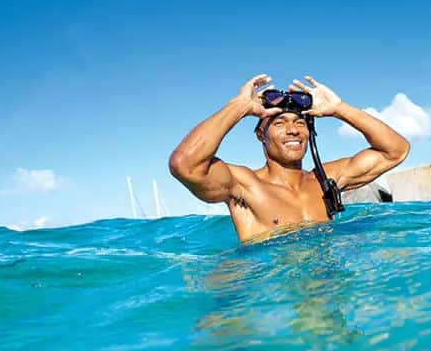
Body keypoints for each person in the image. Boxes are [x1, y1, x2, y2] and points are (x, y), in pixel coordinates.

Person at [169, 74, 410, 242]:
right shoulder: (244, 184)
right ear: (260, 134)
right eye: (280, 123)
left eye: (300, 122)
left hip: (323, 290)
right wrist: (239, 107)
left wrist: (340, 109)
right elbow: (185, 164)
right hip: (269, 299)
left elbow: (396, 150)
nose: (293, 130)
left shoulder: (325, 179)